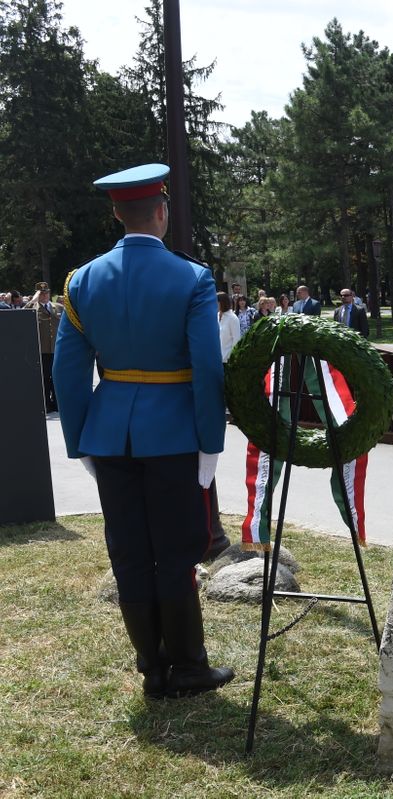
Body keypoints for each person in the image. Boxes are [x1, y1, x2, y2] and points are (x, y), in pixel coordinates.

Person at [53, 162, 233, 700]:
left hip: (110, 435)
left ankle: (151, 668)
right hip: (174, 434)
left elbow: (67, 367)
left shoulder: (81, 280)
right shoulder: (192, 277)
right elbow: (207, 365)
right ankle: (188, 667)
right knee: (176, 552)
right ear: (161, 212)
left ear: (116, 212)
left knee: (128, 551)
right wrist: (210, 442)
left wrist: (81, 438)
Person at [24, 282, 62, 412]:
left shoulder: (58, 307)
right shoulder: (33, 309)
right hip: (43, 350)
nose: (44, 295)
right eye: (41, 293)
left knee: (56, 377)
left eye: (46, 293)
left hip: (57, 350)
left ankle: (57, 403)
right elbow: (21, 314)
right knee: (45, 378)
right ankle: (47, 404)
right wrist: (33, 300)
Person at [217, 291, 241, 363]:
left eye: (215, 302)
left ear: (222, 303)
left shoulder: (233, 318)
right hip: (217, 358)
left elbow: (236, 340)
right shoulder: (216, 315)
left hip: (227, 360)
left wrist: (231, 358)